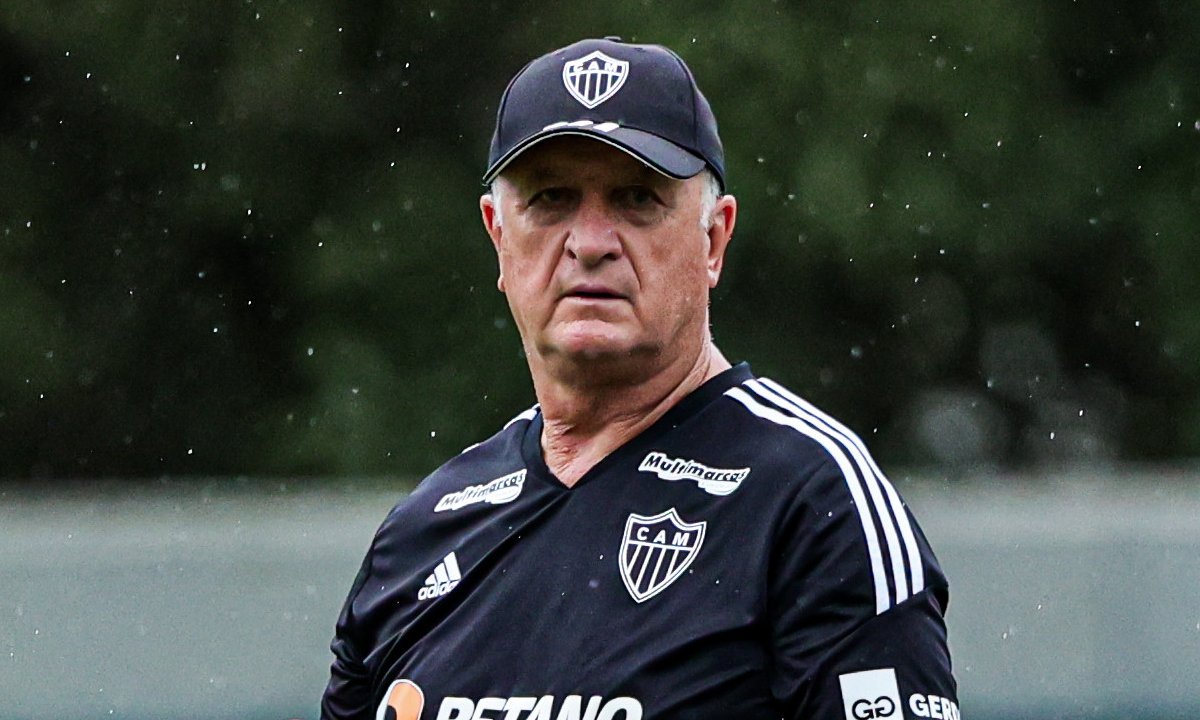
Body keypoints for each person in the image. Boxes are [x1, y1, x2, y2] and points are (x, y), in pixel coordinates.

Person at [321, 37, 958, 720]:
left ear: (714, 239)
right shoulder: (422, 535)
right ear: (497, 238)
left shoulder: (812, 501)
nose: (590, 241)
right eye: (552, 198)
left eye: (636, 199)